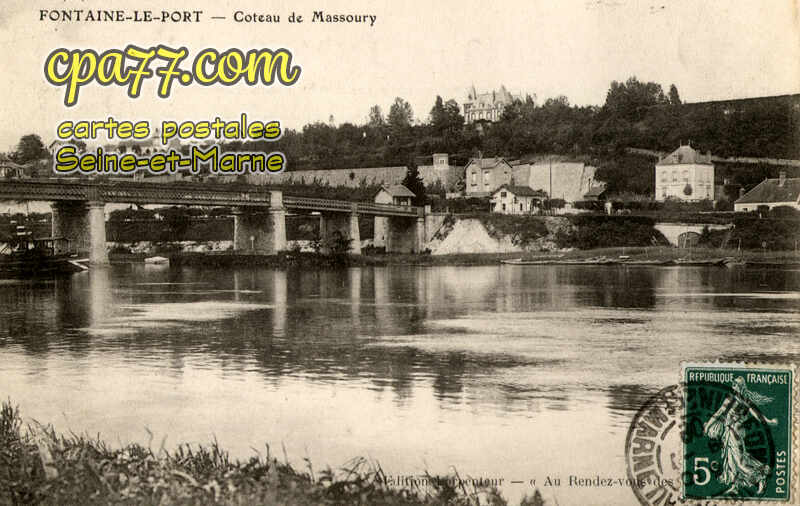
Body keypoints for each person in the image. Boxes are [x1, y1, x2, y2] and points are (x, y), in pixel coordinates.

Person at [703, 376, 778, 495]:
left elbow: (718, 414)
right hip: (731, 432)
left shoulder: (733, 399)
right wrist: (768, 421)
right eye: (733, 384)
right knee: (731, 460)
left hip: (733, 432)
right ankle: (735, 486)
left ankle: (760, 478)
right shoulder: (744, 400)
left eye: (735, 385)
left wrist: (707, 427)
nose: (733, 387)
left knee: (739, 461)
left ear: (740, 387)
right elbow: (757, 414)